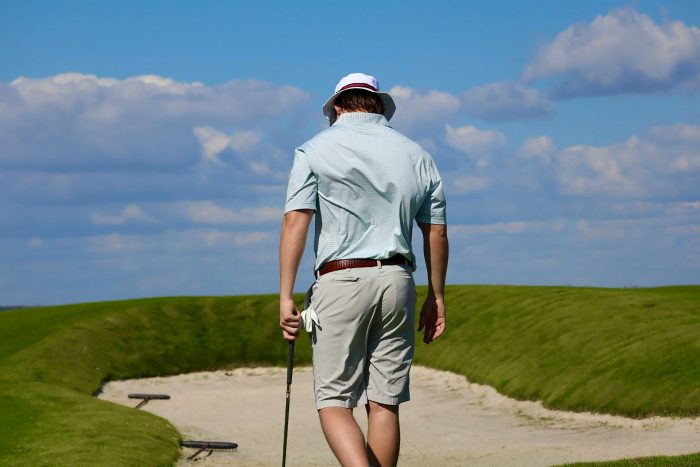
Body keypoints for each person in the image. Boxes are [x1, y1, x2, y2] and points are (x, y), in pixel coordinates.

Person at [279, 72, 448, 467]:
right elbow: (436, 232)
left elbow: (295, 221)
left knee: (334, 400)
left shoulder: (313, 149)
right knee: (385, 401)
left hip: (340, 280)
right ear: (379, 106)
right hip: (398, 281)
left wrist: (285, 295)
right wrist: (437, 296)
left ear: (338, 107)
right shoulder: (417, 154)